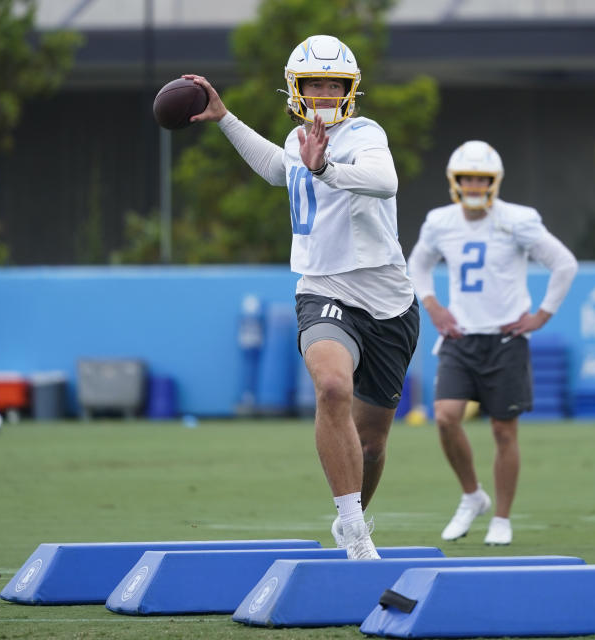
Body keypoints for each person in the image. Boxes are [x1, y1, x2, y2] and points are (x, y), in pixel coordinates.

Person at [185, 34, 419, 560]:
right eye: (314, 83)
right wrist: (225, 118)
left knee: (374, 443)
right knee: (333, 387)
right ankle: (356, 530)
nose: (323, 92)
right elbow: (277, 168)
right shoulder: (297, 140)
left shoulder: (364, 132)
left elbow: (385, 180)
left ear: (349, 89)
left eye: (333, 83)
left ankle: (351, 520)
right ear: (296, 87)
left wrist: (325, 169)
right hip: (323, 288)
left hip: (388, 301)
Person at [408, 140, 578, 545]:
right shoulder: (440, 222)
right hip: (460, 336)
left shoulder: (517, 220)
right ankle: (472, 495)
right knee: (447, 416)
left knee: (504, 431)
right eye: (467, 177)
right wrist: (432, 305)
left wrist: (541, 315)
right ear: (455, 180)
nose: (474, 184)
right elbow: (417, 263)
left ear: (495, 181)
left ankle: (502, 518)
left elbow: (563, 263)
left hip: (505, 339)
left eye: (482, 178)